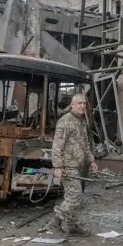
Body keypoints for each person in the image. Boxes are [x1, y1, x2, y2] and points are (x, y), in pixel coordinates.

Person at [44, 93, 98, 237]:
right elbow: (56, 146)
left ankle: (72, 225)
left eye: (84, 104)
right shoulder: (65, 121)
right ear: (72, 105)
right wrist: (58, 166)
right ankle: (54, 222)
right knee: (75, 196)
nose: (82, 106)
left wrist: (91, 160)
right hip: (68, 166)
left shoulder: (81, 122)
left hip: (78, 165)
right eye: (79, 103)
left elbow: (85, 144)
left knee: (71, 196)